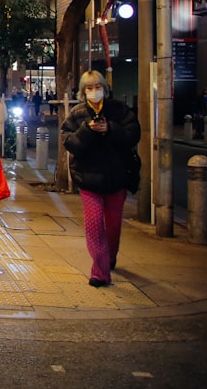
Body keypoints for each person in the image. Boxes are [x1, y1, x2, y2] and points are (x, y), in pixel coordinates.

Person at [60, 70, 141, 287]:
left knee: (113, 227)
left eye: (97, 87)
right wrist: (87, 130)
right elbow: (69, 142)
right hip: (89, 179)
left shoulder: (118, 110)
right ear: (83, 92)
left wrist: (110, 129)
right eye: (89, 88)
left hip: (117, 178)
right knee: (95, 225)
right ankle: (100, 270)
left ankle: (109, 256)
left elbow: (133, 133)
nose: (94, 92)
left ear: (104, 89)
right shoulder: (77, 114)